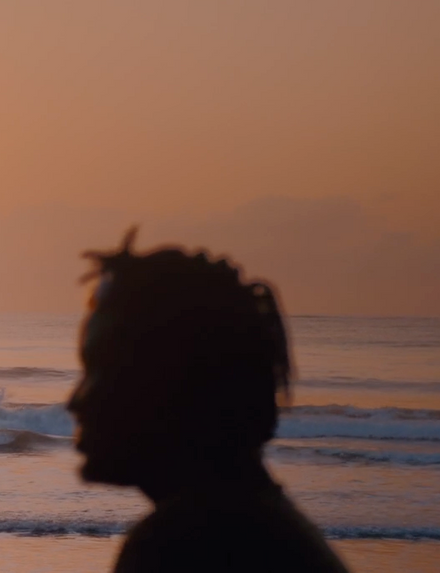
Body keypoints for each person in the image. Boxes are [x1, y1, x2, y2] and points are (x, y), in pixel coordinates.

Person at [67, 229, 347, 572]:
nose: (75, 402)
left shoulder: (182, 543)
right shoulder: (261, 525)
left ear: (166, 383)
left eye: (101, 371)